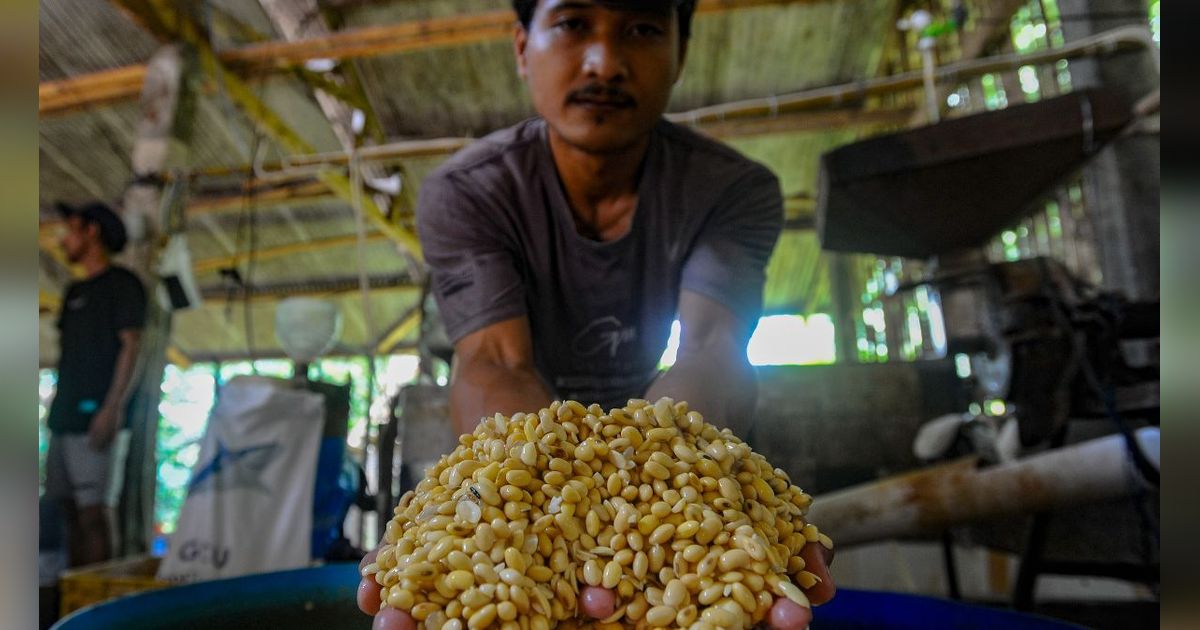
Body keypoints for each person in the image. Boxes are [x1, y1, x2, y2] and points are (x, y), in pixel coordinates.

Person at [358, 1, 834, 627]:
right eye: (572, 23)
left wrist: (668, 483)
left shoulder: (733, 189)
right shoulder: (468, 192)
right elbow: (495, 358)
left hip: (670, 436)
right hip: (517, 439)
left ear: (680, 53)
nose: (604, 61)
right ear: (523, 47)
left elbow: (713, 346)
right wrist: (542, 498)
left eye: (641, 27)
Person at [44, 201, 146, 568]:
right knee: (67, 510)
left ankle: (99, 601)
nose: (63, 239)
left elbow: (131, 346)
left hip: (97, 417)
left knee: (94, 512)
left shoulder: (123, 285)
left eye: (70, 228)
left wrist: (112, 407)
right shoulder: (74, 292)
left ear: (92, 231)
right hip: (64, 417)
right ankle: (73, 599)